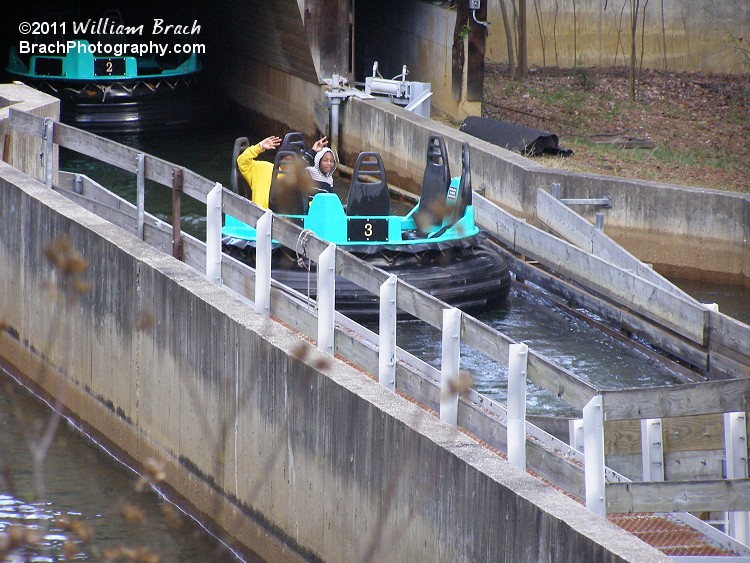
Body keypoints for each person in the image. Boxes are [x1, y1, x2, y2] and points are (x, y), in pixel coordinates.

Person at [236, 135, 281, 209]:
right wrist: (259, 147)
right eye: (285, 157)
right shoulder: (263, 168)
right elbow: (242, 161)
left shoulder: (297, 178)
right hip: (258, 215)